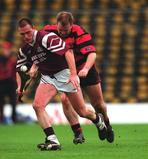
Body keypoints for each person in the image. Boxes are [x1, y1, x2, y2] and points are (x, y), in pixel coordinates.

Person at [16, 17, 107, 151]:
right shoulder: (24, 50)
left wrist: (74, 74)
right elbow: (18, 69)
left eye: (28, 32)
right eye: (22, 34)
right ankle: (53, 140)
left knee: (82, 111)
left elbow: (68, 52)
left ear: (34, 28)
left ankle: (98, 119)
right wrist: (20, 86)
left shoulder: (47, 38)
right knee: (37, 106)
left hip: (64, 75)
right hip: (48, 77)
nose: (26, 36)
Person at [43, 11, 114, 143]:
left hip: (84, 69)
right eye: (60, 30)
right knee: (65, 99)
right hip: (68, 73)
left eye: (66, 30)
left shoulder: (80, 32)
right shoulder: (48, 31)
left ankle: (107, 125)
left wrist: (86, 68)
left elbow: (92, 54)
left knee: (98, 104)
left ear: (72, 25)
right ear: (56, 25)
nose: (63, 33)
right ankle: (78, 133)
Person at [0, 41, 17, 124]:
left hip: (11, 84)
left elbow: (16, 73)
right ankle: (1, 120)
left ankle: (14, 119)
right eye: (5, 49)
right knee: (0, 103)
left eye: (7, 49)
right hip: (0, 84)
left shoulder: (13, 61)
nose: (6, 51)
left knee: (13, 103)